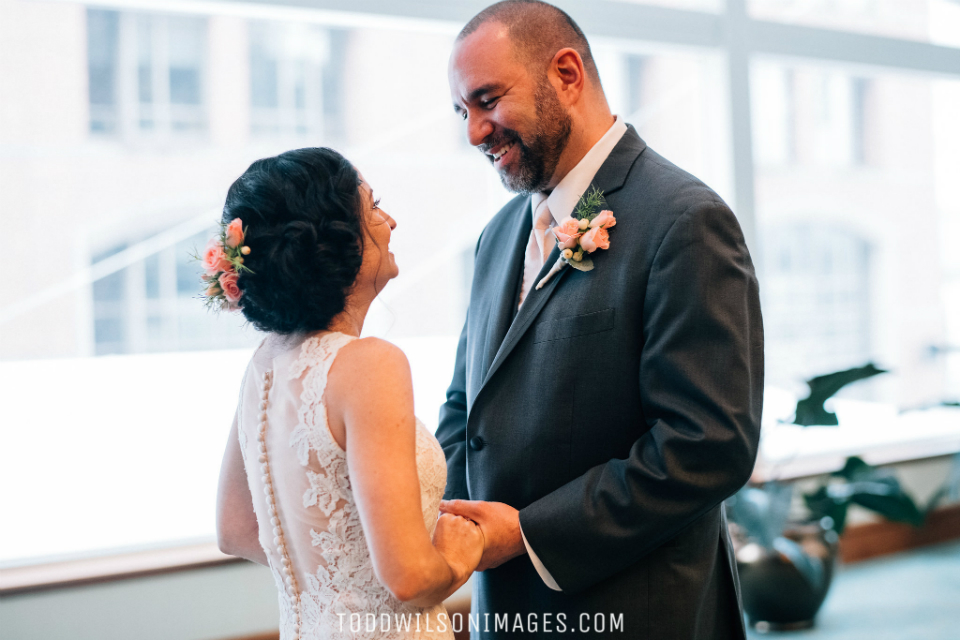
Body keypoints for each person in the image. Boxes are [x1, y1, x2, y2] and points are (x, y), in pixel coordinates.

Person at [436, 1, 764, 638]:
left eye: (487, 100)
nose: (474, 131)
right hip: (504, 610)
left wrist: (531, 534)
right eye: (463, 111)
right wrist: (456, 522)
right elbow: (465, 406)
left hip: (635, 611)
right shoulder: (496, 237)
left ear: (566, 74)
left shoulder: (684, 220)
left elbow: (708, 445)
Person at [214, 147, 483, 639]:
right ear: (337, 241)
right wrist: (462, 553)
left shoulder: (265, 365)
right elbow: (408, 577)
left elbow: (235, 530)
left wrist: (334, 586)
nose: (391, 221)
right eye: (373, 206)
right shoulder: (368, 364)